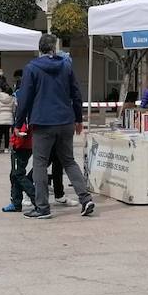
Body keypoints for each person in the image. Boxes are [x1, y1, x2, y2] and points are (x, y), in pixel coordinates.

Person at [13, 34, 95, 219]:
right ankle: (86, 198)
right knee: (69, 161)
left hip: (43, 122)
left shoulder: (32, 68)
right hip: (65, 120)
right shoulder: (66, 66)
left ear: (39, 49)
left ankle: (42, 207)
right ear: (54, 48)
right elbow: (76, 92)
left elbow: (24, 98)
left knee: (40, 163)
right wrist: (78, 119)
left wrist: (18, 123)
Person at [0, 81, 16, 152]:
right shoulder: (12, 98)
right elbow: (14, 109)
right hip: (9, 117)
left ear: (1, 89)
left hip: (0, 117)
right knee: (7, 134)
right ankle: (6, 148)